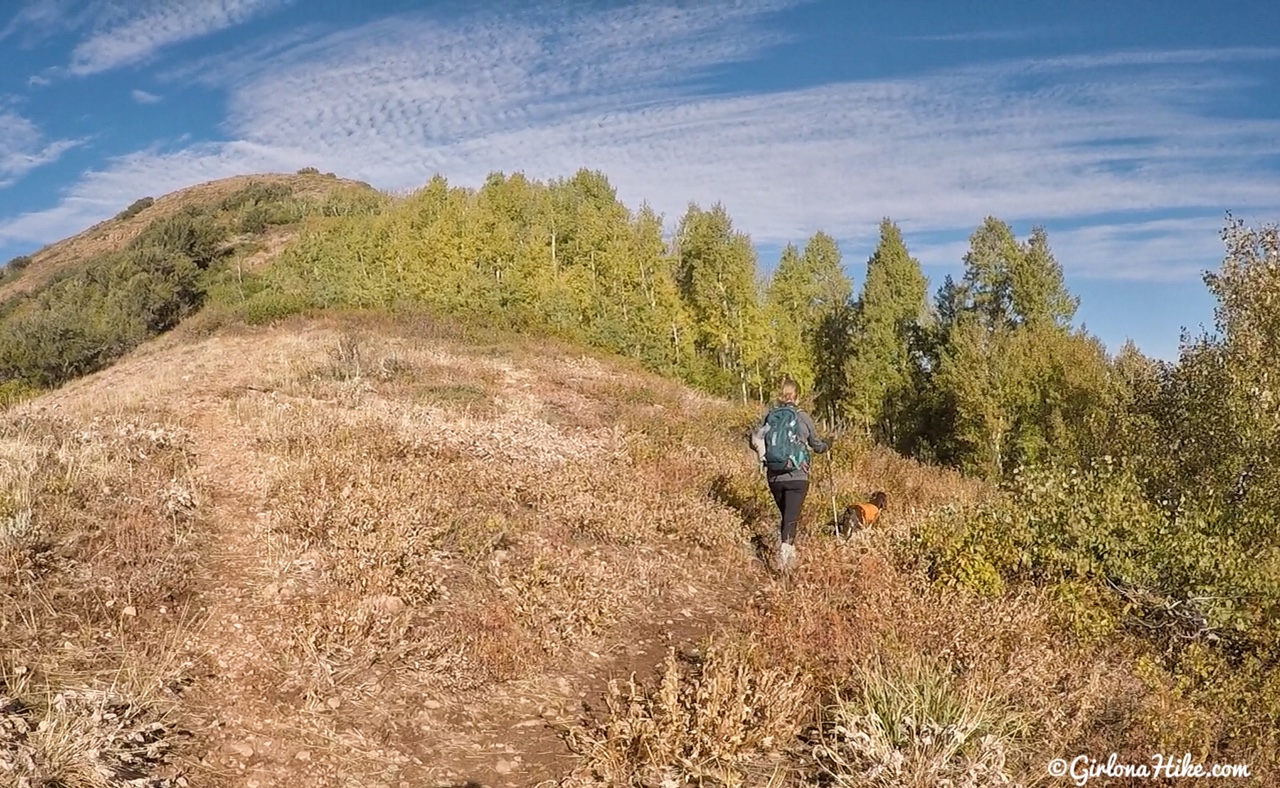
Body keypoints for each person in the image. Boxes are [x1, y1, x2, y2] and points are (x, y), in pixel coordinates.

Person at [749, 377, 831, 571]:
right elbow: (817, 446)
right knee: (790, 519)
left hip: (774, 475)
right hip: (797, 476)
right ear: (798, 396)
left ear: (781, 395)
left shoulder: (770, 416)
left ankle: (786, 553)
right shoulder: (802, 417)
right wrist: (828, 445)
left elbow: (754, 440)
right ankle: (786, 568)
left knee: (786, 517)